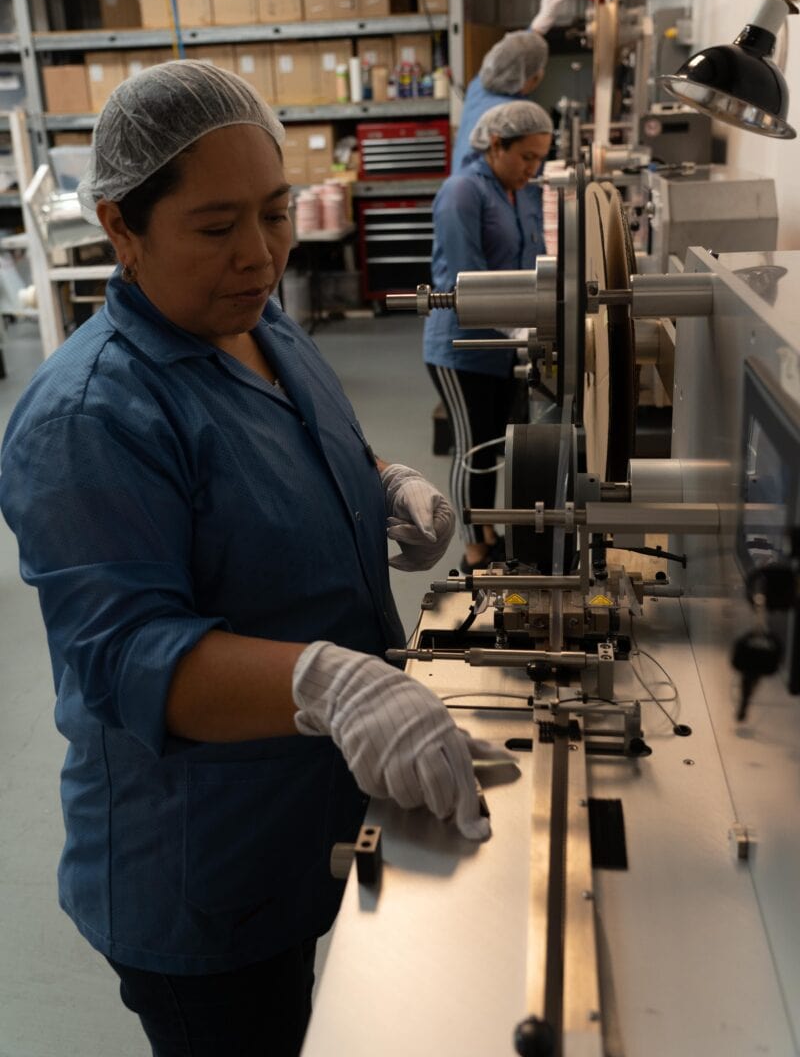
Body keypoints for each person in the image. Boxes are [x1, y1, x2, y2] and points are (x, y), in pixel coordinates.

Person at [0, 60, 511, 1057]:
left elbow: (307, 445)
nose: (262, 252)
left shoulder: (261, 327)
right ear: (120, 229)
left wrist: (379, 486)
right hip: (204, 868)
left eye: (276, 213)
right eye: (216, 225)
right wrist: (332, 685)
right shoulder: (90, 417)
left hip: (314, 806)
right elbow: (125, 656)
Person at [423, 99, 554, 574]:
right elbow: (464, 279)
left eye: (540, 158)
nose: (532, 168)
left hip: (502, 348)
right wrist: (519, 328)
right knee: (473, 447)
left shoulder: (520, 191)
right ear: (497, 144)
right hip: (461, 348)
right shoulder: (463, 192)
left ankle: (489, 529)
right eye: (526, 157)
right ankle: (475, 548)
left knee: (495, 444)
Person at [450, 0, 568, 172]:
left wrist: (537, 28)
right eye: (536, 74)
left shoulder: (478, 87)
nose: (539, 76)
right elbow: (525, 175)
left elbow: (513, 56)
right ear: (526, 80)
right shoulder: (513, 118)